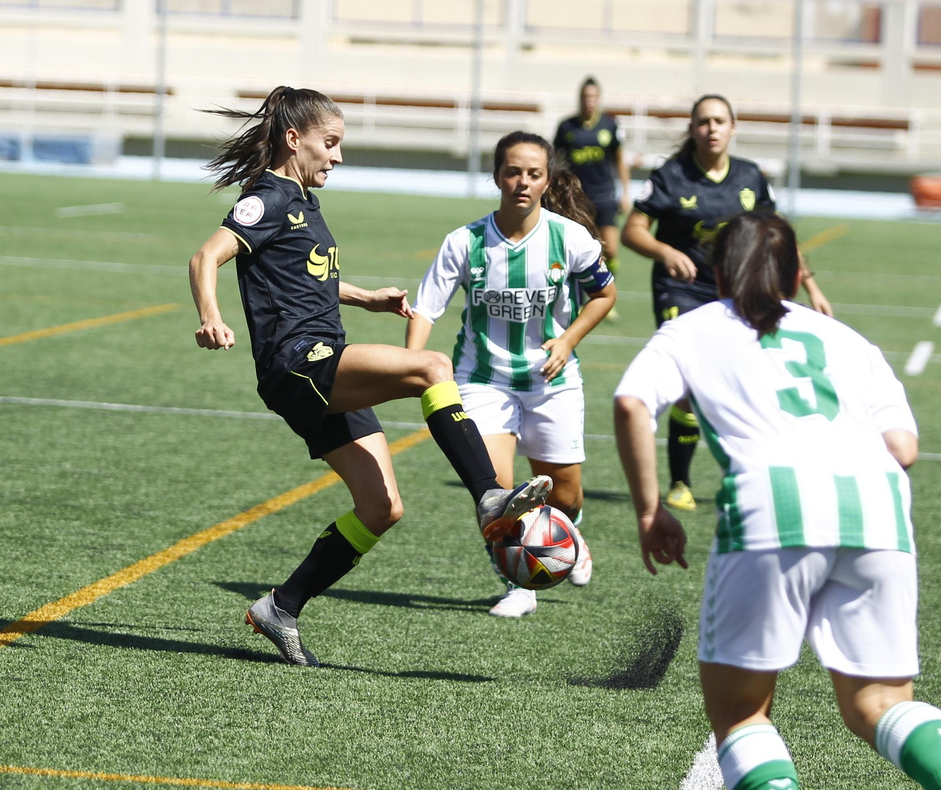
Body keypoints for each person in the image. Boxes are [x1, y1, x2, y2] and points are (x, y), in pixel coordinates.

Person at [612, 213, 941, 790]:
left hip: (774, 505)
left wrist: (650, 510)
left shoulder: (694, 328)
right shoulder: (845, 338)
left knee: (740, 711)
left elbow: (632, 401)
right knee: (879, 702)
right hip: (879, 506)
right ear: (798, 274)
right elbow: (904, 446)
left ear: (718, 274)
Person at [188, 86, 552, 666]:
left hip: (323, 358)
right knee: (431, 366)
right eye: (329, 144)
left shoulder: (303, 201)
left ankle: (280, 607)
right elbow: (205, 256)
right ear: (294, 139)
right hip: (298, 362)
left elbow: (306, 280)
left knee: (382, 509)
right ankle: (488, 496)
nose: (337, 156)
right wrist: (212, 317)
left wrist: (366, 298)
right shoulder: (268, 199)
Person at [406, 131, 616, 618]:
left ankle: (569, 532)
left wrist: (567, 340)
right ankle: (519, 587)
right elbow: (424, 310)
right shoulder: (464, 242)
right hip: (482, 379)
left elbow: (605, 295)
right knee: (497, 495)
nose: (523, 182)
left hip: (552, 381)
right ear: (498, 175)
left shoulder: (570, 238)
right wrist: (412, 367)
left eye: (534, 174)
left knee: (565, 493)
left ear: (547, 180)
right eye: (513, 172)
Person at [621, 93, 831, 513]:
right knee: (689, 383)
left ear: (733, 127)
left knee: (742, 374)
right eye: (703, 122)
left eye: (719, 121)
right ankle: (680, 482)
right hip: (680, 289)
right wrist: (664, 252)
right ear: (693, 129)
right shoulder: (671, 176)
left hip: (736, 289)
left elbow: (779, 236)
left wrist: (810, 285)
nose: (712, 129)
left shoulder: (751, 177)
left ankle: (746, 470)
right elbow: (633, 230)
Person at [552, 77, 631, 317]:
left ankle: (605, 296)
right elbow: (555, 160)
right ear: (580, 99)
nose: (589, 101)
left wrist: (626, 192)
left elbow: (619, 160)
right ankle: (573, 297)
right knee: (575, 249)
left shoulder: (609, 125)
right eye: (585, 97)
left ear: (598, 99)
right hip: (575, 198)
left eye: (593, 97)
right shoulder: (567, 127)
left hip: (605, 195)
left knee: (612, 250)